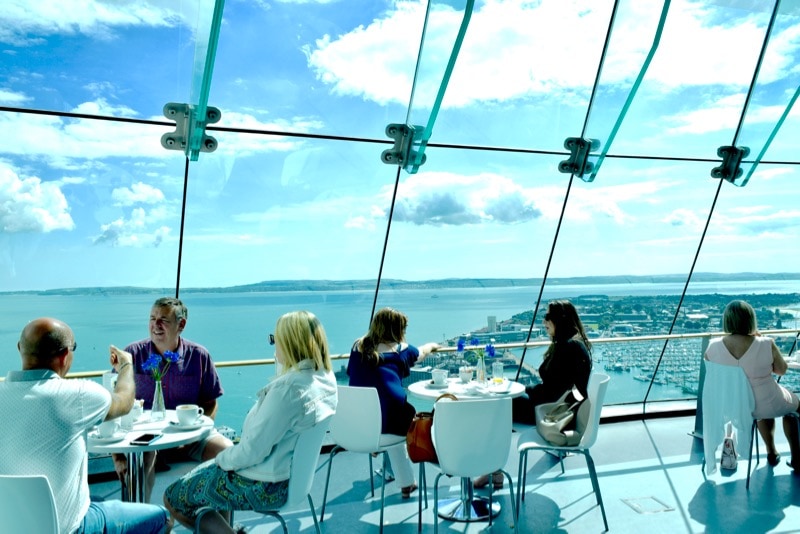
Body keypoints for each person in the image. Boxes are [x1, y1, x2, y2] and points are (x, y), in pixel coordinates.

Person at [163, 310, 337, 533]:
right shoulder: (325, 380)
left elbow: (252, 451)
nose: (274, 345)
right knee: (209, 484)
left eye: (275, 339)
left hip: (264, 485)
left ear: (290, 342)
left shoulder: (288, 391)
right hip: (292, 480)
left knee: (173, 497)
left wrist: (221, 460)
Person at [0, 317, 170, 533]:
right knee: (162, 517)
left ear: (19, 349)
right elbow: (124, 402)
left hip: (10, 528)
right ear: (64, 355)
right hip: (73, 528)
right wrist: (126, 365)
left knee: (96, 498)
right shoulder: (77, 396)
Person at [113, 297, 233, 502]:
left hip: (189, 438)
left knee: (228, 453)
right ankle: (142, 523)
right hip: (147, 439)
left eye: (163, 320)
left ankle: (221, 525)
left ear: (181, 325)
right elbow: (115, 404)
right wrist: (119, 457)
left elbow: (211, 402)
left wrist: (197, 432)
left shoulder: (199, 356)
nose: (155, 325)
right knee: (139, 465)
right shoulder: (133, 354)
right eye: (152, 318)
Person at [346, 307, 439, 499]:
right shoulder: (400, 351)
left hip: (356, 426)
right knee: (403, 421)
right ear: (398, 329)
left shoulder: (357, 347)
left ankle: (404, 481)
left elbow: (352, 374)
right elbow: (420, 353)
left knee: (391, 418)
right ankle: (414, 476)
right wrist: (431, 345)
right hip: (390, 425)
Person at [501, 299, 593, 488]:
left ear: (561, 319)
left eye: (548, 316)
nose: (544, 321)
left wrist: (521, 390)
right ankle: (492, 471)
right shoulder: (572, 344)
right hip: (556, 409)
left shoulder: (568, 348)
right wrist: (523, 390)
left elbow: (554, 392)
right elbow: (560, 388)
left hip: (549, 413)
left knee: (498, 405)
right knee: (506, 397)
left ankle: (492, 472)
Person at [704, 300, 800, 470]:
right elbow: (782, 370)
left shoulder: (713, 347)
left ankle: (771, 451)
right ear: (750, 320)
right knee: (794, 408)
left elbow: (715, 377)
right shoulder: (765, 343)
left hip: (733, 407)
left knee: (759, 406)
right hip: (767, 402)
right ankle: (797, 458)